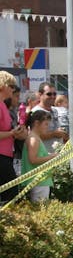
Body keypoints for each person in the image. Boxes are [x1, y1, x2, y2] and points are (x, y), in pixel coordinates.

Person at [0, 72, 27, 203]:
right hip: (1, 157)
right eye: (11, 86)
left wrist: (16, 132)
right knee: (11, 195)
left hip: (6, 155)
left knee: (10, 195)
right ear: (2, 86)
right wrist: (12, 133)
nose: (13, 89)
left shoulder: (3, 106)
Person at [21, 109, 58, 201]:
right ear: (37, 123)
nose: (47, 127)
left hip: (40, 180)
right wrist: (52, 157)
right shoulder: (34, 139)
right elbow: (33, 159)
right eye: (45, 124)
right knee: (40, 208)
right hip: (39, 180)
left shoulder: (35, 137)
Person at [31, 82, 68, 152]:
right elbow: (34, 136)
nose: (53, 96)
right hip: (43, 156)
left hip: (57, 155)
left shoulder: (55, 110)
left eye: (54, 94)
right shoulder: (35, 112)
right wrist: (54, 134)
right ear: (40, 95)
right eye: (49, 94)